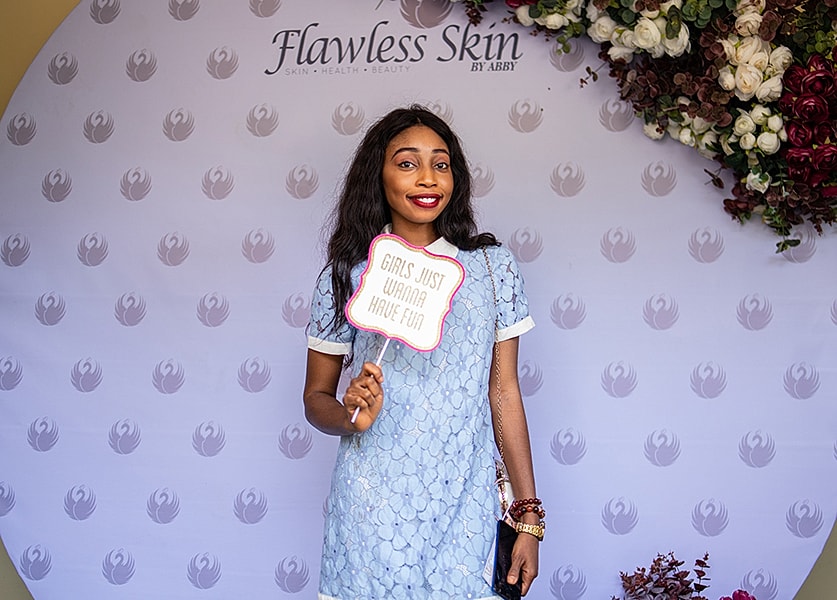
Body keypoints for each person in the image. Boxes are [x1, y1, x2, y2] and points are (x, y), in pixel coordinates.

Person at [303, 105, 543, 599]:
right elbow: (315, 399)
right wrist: (350, 417)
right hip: (372, 507)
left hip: (466, 507)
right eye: (407, 163)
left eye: (441, 162)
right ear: (379, 175)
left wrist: (528, 515)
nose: (427, 177)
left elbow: (504, 392)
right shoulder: (347, 273)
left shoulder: (492, 269)